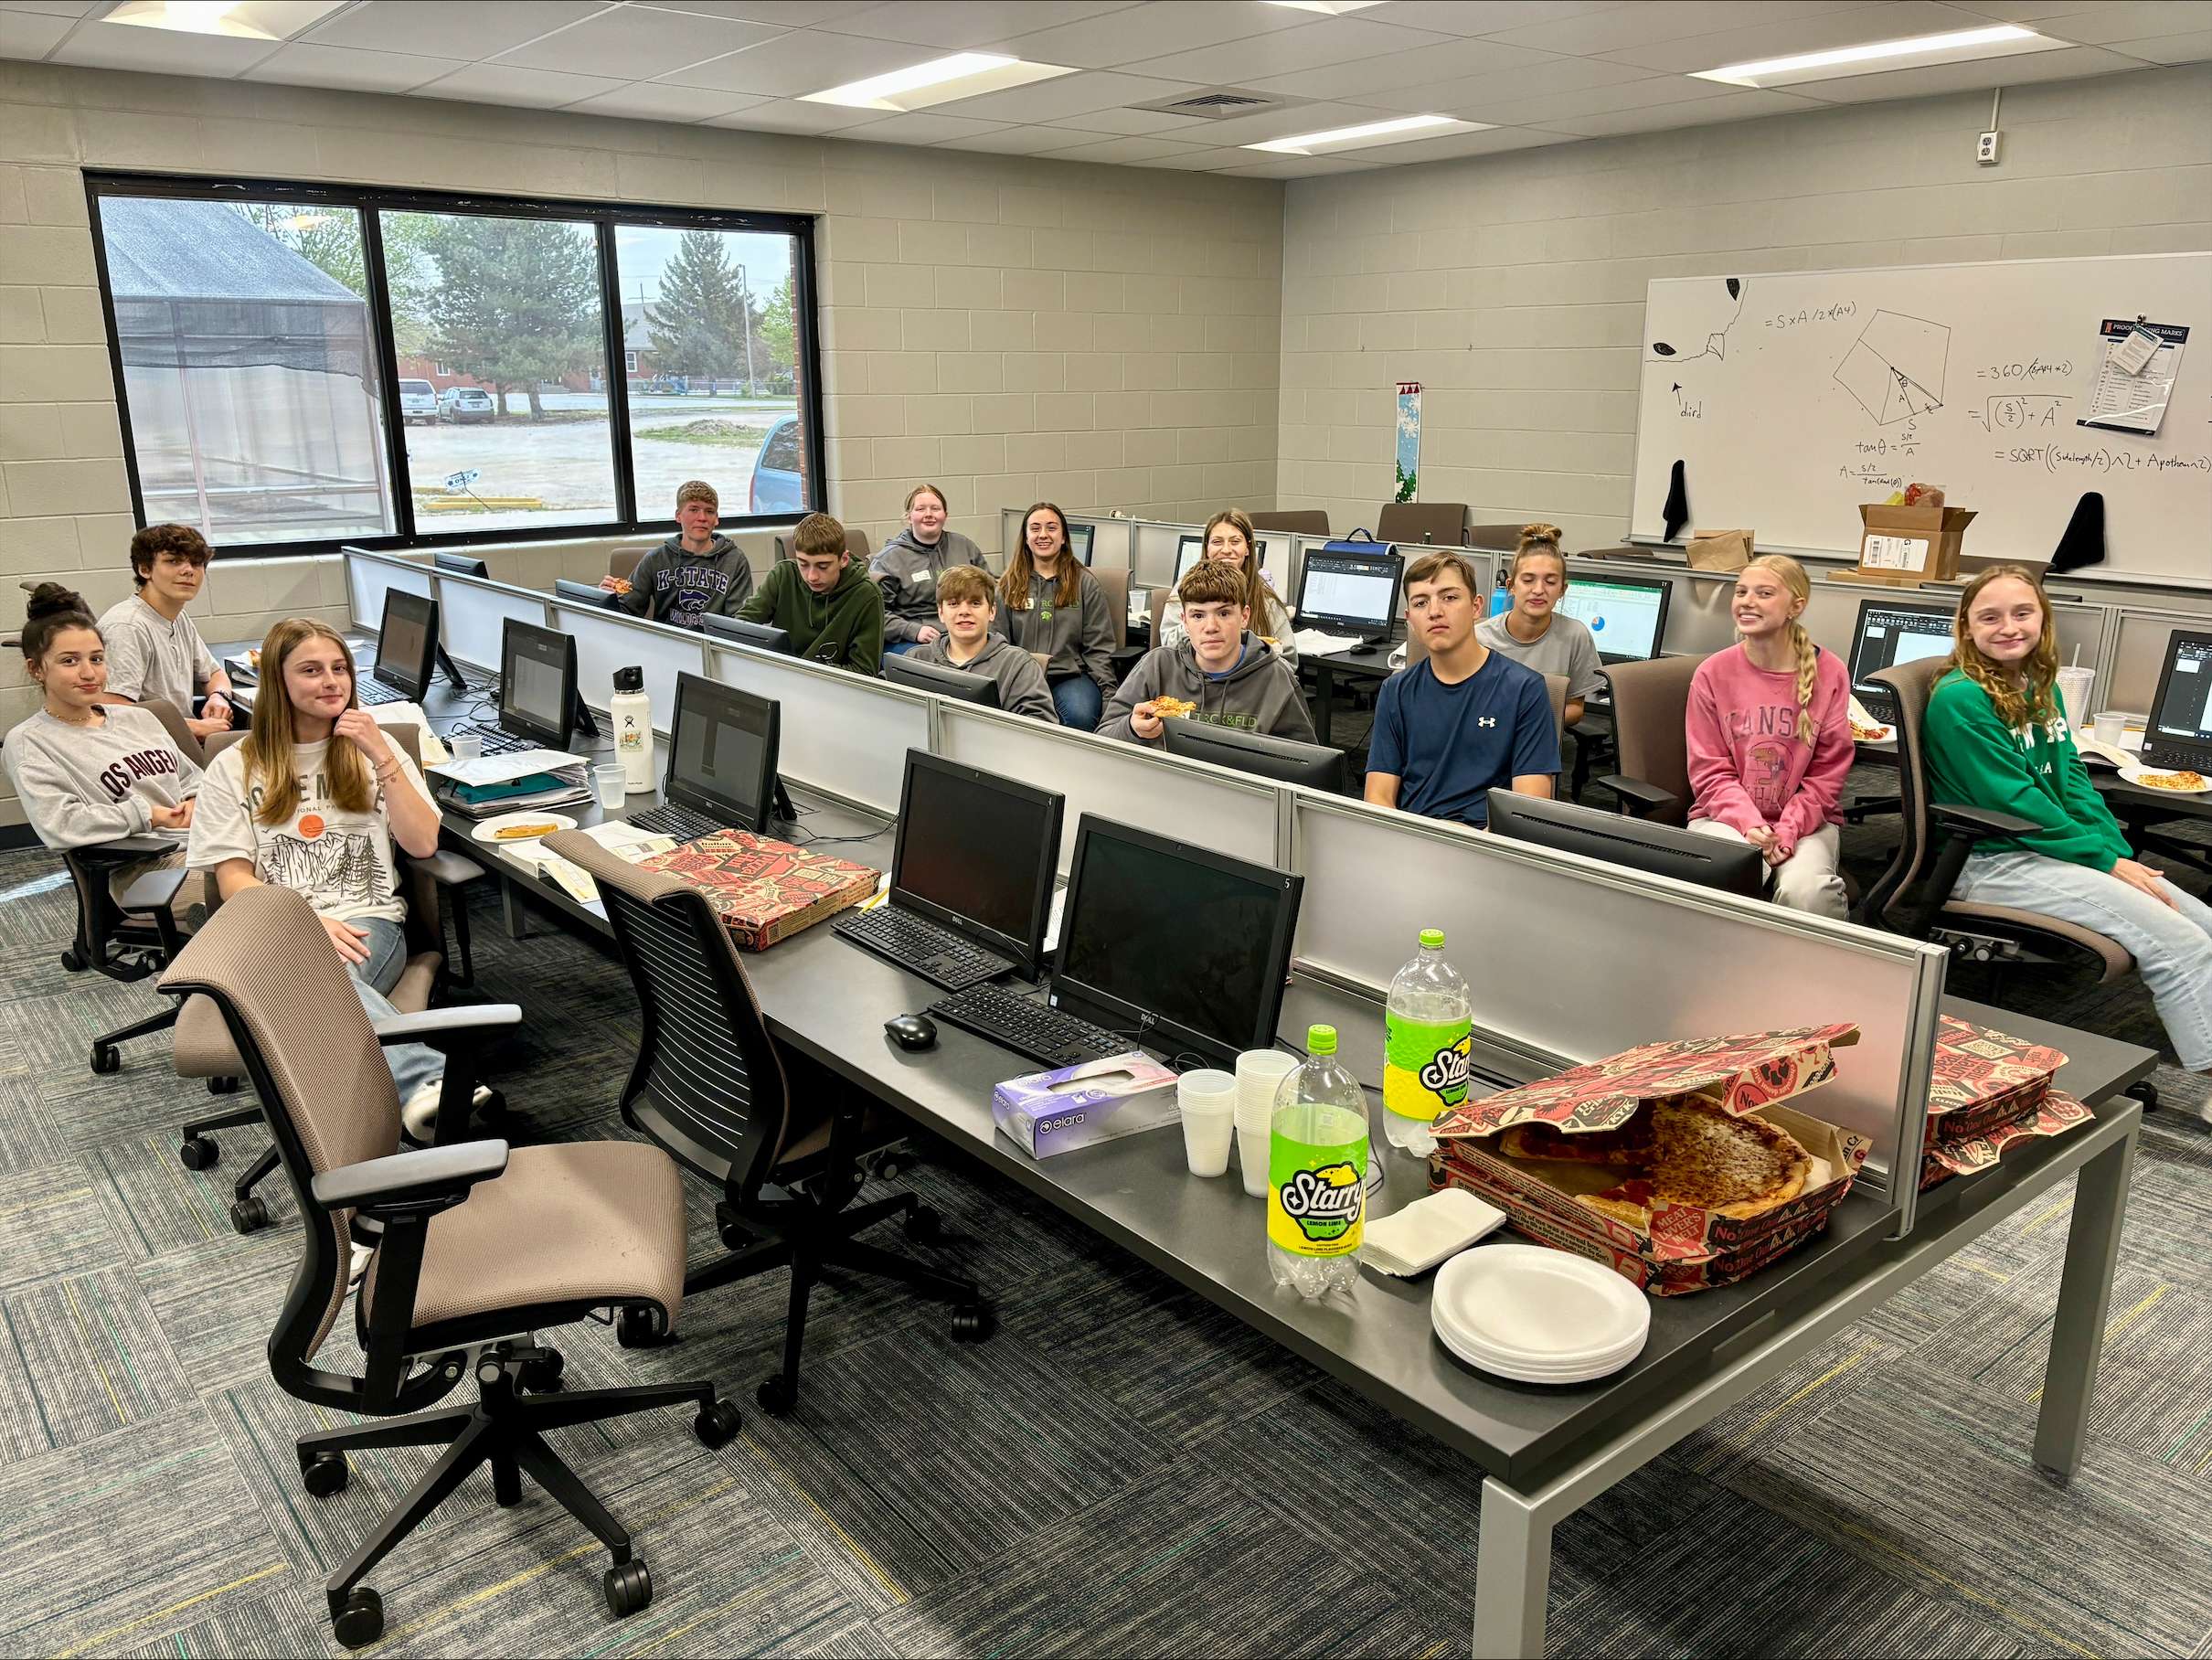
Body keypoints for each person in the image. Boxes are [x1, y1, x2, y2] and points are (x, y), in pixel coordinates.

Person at [1925, 565, 2212, 1093]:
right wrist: (2103, 862)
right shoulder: (1960, 698)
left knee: (2204, 922)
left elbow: (2071, 778)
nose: (2008, 627)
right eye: (1990, 617)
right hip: (1990, 859)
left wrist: (2112, 849)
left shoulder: (2036, 683)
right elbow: (2014, 800)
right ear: (1966, 627)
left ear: (2043, 619)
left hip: (2045, 850)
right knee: (2179, 944)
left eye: (2022, 613)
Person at [186, 618, 460, 1137]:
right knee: (316, 984)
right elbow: (234, 880)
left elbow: (423, 844)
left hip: (367, 920)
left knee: (328, 981)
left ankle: (399, 1111)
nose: (331, 681)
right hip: (275, 930)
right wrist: (303, 922)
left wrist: (381, 756)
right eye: (311, 671)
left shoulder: (375, 750)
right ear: (278, 683)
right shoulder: (234, 765)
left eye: (339, 669)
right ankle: (431, 1081)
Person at [5, 583, 203, 931]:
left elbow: (191, 777)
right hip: (146, 872)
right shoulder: (30, 741)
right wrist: (149, 814)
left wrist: (195, 798)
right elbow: (61, 825)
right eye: (70, 661)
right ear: (37, 669)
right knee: (264, 890)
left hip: (204, 844)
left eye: (96, 659)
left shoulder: (138, 718)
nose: (88, 673)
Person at [1682, 555, 1853, 919]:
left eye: (1764, 593)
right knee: (1730, 877)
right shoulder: (1712, 673)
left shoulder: (1831, 672)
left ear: (1796, 605)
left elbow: (1827, 776)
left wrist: (1788, 830)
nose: (1747, 601)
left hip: (1806, 823)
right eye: (1741, 591)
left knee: (1807, 893)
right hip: (1724, 818)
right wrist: (1750, 824)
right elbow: (1709, 771)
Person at [1365, 549, 1558, 829]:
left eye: (1450, 597)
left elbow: (1527, 811)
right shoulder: (1396, 690)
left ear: (1476, 607)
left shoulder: (1524, 689)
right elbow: (1377, 797)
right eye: (1421, 603)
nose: (1434, 612)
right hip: (1411, 839)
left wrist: (1470, 845)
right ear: (1409, 618)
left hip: (1487, 844)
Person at [1101, 559, 1315, 748]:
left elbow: (1308, 766)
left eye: (1223, 613)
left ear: (1244, 616)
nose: (1211, 627)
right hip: (1165, 786)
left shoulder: (1275, 679)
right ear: (1184, 621)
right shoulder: (1157, 666)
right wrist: (1130, 728)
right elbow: (1102, 739)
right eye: (1198, 616)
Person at [96, 523, 235, 742]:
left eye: (197, 563)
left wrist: (219, 698)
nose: (188, 570)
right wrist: (195, 727)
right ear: (145, 569)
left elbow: (215, 674)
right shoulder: (127, 626)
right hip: (145, 748)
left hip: (176, 740)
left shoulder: (178, 617)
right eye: (174, 561)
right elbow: (115, 709)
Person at [994, 501, 1115, 730]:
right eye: (1035, 528)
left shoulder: (1085, 583)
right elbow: (998, 642)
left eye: (1051, 528)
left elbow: (1099, 648)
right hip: (1021, 676)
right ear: (1026, 538)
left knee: (1080, 716)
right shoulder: (1008, 585)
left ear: (1063, 538)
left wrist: (1109, 695)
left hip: (1070, 676)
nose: (1043, 535)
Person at [1473, 525, 1603, 728]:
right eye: (1528, 580)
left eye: (1550, 582)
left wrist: (1529, 724)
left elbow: (1575, 707)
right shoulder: (1479, 639)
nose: (1538, 590)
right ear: (1511, 586)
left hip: (1542, 744)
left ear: (1562, 590)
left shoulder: (1575, 636)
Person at [735, 511, 885, 673]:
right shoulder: (783, 575)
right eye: (803, 564)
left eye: (823, 566)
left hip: (830, 687)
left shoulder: (867, 595)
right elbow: (740, 626)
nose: (811, 577)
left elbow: (864, 671)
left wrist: (803, 672)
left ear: (844, 560)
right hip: (780, 675)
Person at [911, 565, 1058, 723]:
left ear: (992, 611)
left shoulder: (1017, 665)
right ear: (941, 612)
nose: (964, 611)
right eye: (954, 604)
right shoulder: (916, 658)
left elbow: (1041, 726)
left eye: (975, 603)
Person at [1157, 508, 1297, 666]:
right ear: (1207, 548)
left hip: (1252, 684)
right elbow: (1168, 643)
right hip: (1196, 681)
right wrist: (1197, 619)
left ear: (1247, 548)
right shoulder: (1188, 587)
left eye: (1235, 542)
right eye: (1217, 542)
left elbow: (1288, 660)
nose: (1226, 550)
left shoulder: (1264, 597)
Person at [609, 479, 753, 628]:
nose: (702, 518)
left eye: (709, 511)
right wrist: (608, 599)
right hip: (667, 642)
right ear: (678, 516)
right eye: (694, 510)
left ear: (716, 519)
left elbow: (739, 623)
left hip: (712, 646)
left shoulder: (735, 560)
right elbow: (628, 610)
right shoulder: (656, 559)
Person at [871, 483, 984, 654]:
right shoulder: (888, 560)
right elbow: (875, 615)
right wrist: (912, 630)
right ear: (909, 517)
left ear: (945, 515)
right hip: (912, 640)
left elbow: (990, 594)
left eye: (935, 509)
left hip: (964, 631)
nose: (929, 515)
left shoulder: (965, 547)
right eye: (921, 509)